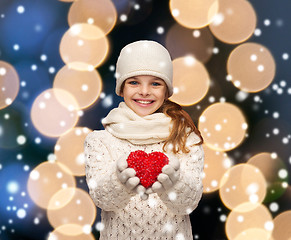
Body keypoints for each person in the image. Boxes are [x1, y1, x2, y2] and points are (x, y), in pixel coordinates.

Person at [84, 40, 204, 240]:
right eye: (134, 82)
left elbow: (188, 203)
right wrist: (120, 180)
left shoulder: (185, 140)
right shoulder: (99, 141)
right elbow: (103, 200)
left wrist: (174, 182)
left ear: (166, 90)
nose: (145, 91)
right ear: (121, 88)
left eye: (155, 83)